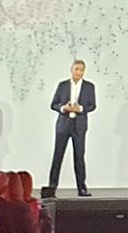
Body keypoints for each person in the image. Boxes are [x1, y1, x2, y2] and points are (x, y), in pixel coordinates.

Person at [48, 59, 98, 197]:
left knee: (79, 157)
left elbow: (92, 105)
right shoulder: (63, 85)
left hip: (79, 126)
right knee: (58, 156)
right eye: (76, 69)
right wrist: (63, 108)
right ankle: (52, 187)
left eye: (81, 70)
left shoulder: (89, 87)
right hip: (63, 125)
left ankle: (82, 188)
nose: (79, 72)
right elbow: (53, 104)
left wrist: (80, 109)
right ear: (71, 70)